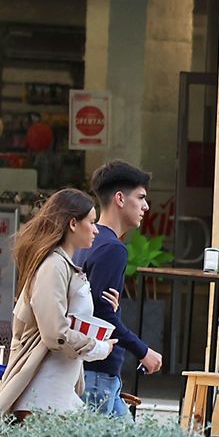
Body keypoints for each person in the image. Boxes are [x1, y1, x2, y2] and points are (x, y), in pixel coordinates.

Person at [0, 189, 113, 418]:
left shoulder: (62, 264)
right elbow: (55, 332)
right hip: (45, 390)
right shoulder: (54, 265)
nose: (96, 229)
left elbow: (66, 319)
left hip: (55, 388)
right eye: (92, 222)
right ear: (73, 224)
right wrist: (97, 347)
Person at [76, 161, 163, 417]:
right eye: (141, 197)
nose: (146, 206)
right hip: (97, 373)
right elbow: (102, 313)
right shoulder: (112, 248)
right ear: (120, 199)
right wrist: (143, 351)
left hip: (91, 368)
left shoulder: (87, 241)